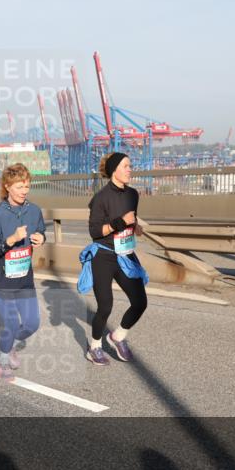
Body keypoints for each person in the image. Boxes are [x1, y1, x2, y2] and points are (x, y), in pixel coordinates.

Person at [81, 153, 149, 365]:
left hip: (125, 254)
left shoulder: (133, 194)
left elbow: (130, 220)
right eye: (125, 166)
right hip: (103, 256)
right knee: (105, 306)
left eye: (130, 165)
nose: (130, 169)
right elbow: (95, 232)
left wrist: (135, 227)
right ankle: (94, 347)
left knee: (140, 302)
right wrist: (120, 222)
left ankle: (117, 336)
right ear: (114, 170)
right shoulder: (101, 198)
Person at [0, 163, 46, 382]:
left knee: (31, 324)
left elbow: (41, 230)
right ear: (8, 187)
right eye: (19, 186)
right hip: (1, 279)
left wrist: (41, 237)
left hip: (24, 278)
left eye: (27, 186)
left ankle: (8, 345)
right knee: (10, 323)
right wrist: (11, 240)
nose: (24, 191)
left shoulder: (34, 210)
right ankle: (2, 362)